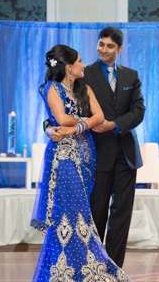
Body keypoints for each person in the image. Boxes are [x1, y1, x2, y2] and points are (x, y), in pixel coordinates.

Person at [25, 44, 142, 282]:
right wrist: (73, 126)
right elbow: (60, 119)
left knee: (82, 214)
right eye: (78, 61)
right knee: (69, 218)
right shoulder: (52, 88)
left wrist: (78, 126)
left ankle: (81, 276)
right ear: (68, 66)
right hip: (64, 158)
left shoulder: (84, 87)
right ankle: (62, 280)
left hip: (87, 156)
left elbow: (98, 116)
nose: (83, 65)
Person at [48, 28, 145, 268]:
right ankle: (93, 268)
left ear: (119, 49)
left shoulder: (131, 76)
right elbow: (60, 109)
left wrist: (113, 124)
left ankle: (114, 271)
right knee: (96, 213)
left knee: (122, 216)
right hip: (94, 155)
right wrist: (48, 129)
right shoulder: (83, 73)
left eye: (110, 46)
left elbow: (139, 111)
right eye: (101, 44)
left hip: (126, 154)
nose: (103, 49)